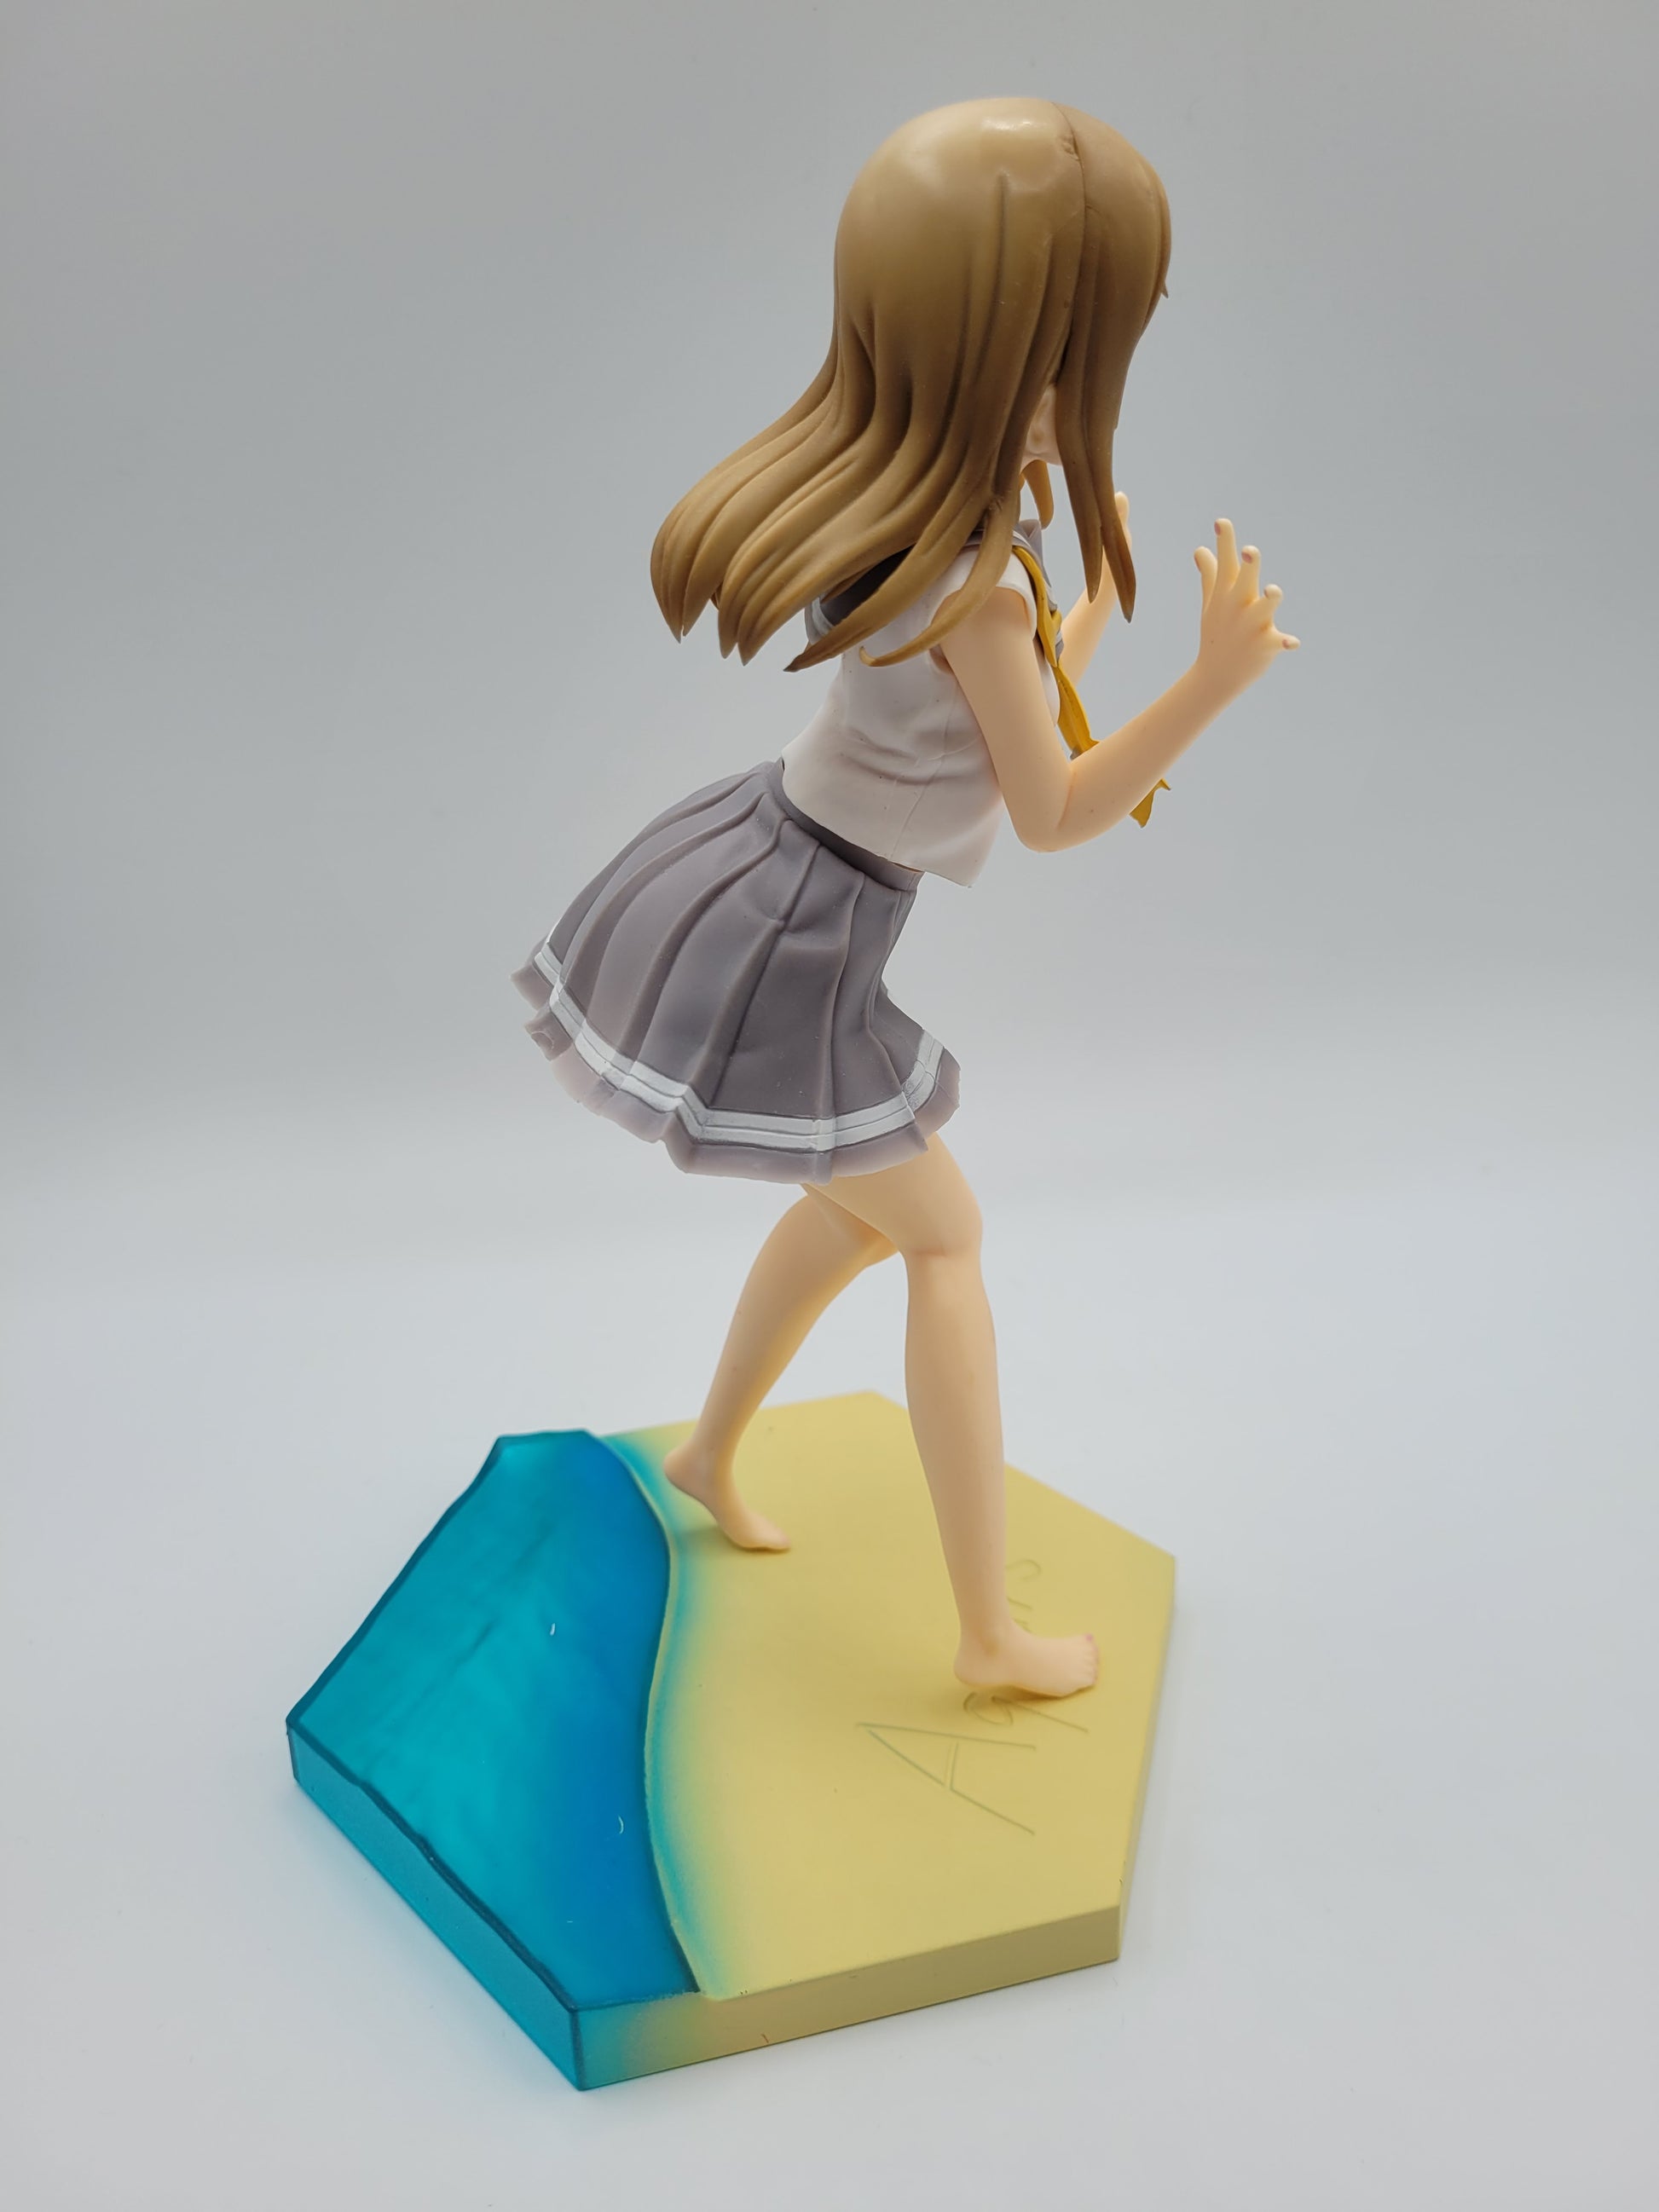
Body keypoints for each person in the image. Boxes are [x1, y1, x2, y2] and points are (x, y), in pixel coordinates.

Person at [513, 96, 1298, 1698]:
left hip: (773, 865)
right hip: (807, 927)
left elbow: (980, 716)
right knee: (944, 1241)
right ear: (1004, 358)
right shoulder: (975, 578)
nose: (1089, 393)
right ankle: (988, 1636)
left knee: (853, 1211)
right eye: (1079, 356)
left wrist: (1085, 611)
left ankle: (709, 1455)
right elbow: (1052, 805)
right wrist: (1208, 683)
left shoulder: (901, 520)